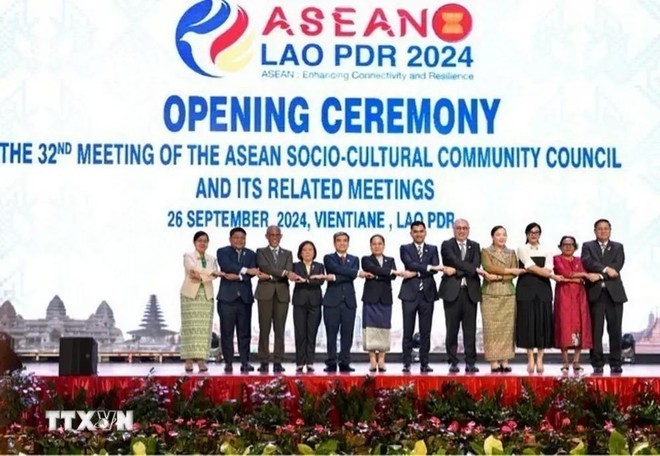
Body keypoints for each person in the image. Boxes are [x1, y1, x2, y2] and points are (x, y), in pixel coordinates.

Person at [581, 219, 628, 374]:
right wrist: (606, 269)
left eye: (605, 228)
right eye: (599, 229)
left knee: (615, 330)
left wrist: (601, 276)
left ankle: (616, 362)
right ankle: (597, 362)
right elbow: (588, 263)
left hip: (614, 294)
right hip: (596, 294)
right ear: (595, 231)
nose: (603, 231)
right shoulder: (588, 246)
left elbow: (617, 267)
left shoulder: (618, 247)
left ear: (610, 230)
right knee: (596, 331)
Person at [516, 223, 562, 374]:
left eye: (536, 232)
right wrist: (551, 276)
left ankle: (540, 358)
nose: (533, 235)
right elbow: (530, 266)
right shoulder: (521, 249)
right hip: (525, 290)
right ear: (527, 234)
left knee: (543, 324)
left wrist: (548, 273)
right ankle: (530, 357)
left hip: (543, 289)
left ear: (540, 234)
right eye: (530, 232)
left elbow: (548, 267)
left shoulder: (547, 250)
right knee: (527, 324)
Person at [323, 231, 372, 373]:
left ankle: (345, 362)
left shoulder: (354, 259)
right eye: (339, 240)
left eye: (345, 241)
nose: (342, 243)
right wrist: (355, 273)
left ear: (348, 243)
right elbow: (336, 269)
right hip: (332, 301)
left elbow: (348, 276)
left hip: (349, 302)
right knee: (331, 334)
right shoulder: (328, 258)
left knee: (347, 334)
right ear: (334, 243)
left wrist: (335, 278)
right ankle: (331, 362)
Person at [399, 221, 444, 373]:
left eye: (421, 231)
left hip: (427, 294)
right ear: (411, 233)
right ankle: (406, 362)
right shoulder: (405, 248)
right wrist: (426, 268)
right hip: (409, 294)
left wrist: (417, 272)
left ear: (425, 232)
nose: (418, 234)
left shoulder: (433, 249)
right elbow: (409, 263)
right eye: (415, 231)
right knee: (408, 330)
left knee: (426, 331)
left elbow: (436, 268)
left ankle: (425, 362)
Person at [438, 218, 482, 374]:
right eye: (459, 228)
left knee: (470, 330)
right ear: (453, 229)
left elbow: (475, 265)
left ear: (468, 229)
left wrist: (456, 271)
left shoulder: (475, 246)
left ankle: (471, 362)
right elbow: (452, 260)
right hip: (451, 293)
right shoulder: (446, 245)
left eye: (464, 228)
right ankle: (453, 361)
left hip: (470, 292)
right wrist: (469, 269)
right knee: (452, 329)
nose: (462, 231)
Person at [480, 226, 526, 373]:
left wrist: (500, 276)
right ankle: (494, 361)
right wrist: (509, 271)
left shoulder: (511, 252)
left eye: (504, 235)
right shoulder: (485, 251)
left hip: (508, 293)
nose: (501, 237)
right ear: (492, 236)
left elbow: (515, 273)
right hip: (490, 293)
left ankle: (505, 361)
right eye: (498, 235)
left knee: (507, 329)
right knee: (491, 328)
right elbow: (489, 267)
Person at [255, 225, 297, 373]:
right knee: (264, 329)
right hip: (265, 294)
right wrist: (282, 273)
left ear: (281, 236)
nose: (274, 237)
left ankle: (278, 361)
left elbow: (289, 269)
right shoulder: (260, 252)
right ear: (266, 236)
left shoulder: (288, 253)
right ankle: (264, 361)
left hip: (282, 294)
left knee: (280, 329)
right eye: (271, 235)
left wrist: (273, 276)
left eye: (277, 235)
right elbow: (264, 266)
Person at [216, 227, 259, 373]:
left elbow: (254, 272)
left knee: (244, 332)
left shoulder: (251, 254)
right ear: (230, 239)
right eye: (236, 238)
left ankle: (245, 362)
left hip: (245, 299)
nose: (239, 240)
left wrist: (240, 276)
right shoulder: (223, 252)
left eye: (242, 238)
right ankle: (228, 362)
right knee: (227, 332)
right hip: (227, 299)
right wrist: (245, 271)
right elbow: (227, 266)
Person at [553, 235, 597, 374]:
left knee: (580, 325)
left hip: (579, 296)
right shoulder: (556, 258)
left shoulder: (579, 260)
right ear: (560, 246)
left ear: (575, 246)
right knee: (564, 326)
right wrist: (581, 276)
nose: (568, 247)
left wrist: (578, 277)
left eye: (571, 244)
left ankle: (576, 361)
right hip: (564, 295)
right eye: (565, 244)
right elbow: (563, 272)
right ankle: (565, 361)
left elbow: (582, 273)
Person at [180, 231, 221, 373]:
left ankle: (202, 360)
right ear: (194, 242)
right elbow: (192, 269)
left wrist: (202, 275)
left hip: (206, 295)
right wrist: (208, 273)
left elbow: (215, 274)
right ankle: (189, 360)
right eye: (200, 241)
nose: (203, 243)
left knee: (204, 331)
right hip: (190, 295)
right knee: (190, 328)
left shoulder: (212, 258)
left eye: (205, 241)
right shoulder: (188, 256)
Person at [361, 234, 402, 373]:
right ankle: (372, 360)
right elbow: (373, 269)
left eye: (379, 243)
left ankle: (382, 360)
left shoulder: (390, 260)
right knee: (370, 329)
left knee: (384, 328)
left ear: (384, 245)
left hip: (385, 299)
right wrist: (387, 273)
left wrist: (381, 274)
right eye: (374, 244)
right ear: (370, 245)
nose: (377, 246)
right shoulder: (366, 259)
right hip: (370, 298)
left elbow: (393, 276)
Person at [291, 240, 326, 373]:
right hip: (299, 302)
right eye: (304, 250)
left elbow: (321, 281)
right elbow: (295, 279)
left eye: (310, 249)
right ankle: (300, 362)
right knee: (300, 333)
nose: (307, 252)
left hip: (315, 302)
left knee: (312, 333)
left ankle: (310, 362)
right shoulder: (295, 266)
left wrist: (305, 280)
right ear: (300, 252)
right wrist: (311, 280)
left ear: (314, 252)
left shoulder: (319, 265)